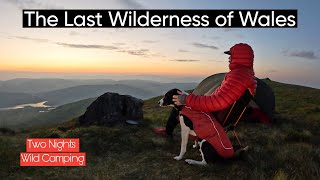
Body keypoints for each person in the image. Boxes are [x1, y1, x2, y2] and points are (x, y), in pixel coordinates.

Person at [154, 43, 257, 159]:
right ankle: (169, 130)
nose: (229, 58)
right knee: (183, 101)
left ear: (239, 57)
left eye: (231, 56)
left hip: (213, 116)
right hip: (223, 115)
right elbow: (221, 97)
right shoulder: (246, 75)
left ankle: (169, 132)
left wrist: (187, 99)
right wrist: (197, 98)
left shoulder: (238, 76)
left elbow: (218, 102)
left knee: (180, 105)